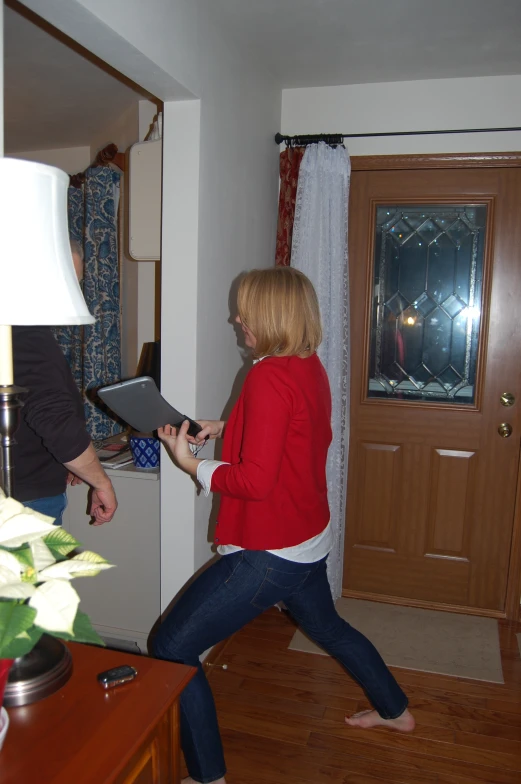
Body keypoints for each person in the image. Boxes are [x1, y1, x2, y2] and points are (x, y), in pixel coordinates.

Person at [154, 267, 415, 784]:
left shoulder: (267, 375)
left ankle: (208, 778)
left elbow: (254, 482)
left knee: (170, 648)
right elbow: (295, 428)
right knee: (329, 629)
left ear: (270, 315)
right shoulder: (304, 364)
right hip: (307, 538)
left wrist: (191, 463)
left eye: (244, 309)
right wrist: (224, 426)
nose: (237, 318)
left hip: (270, 553)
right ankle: (395, 712)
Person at [11, 241, 117, 526]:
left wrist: (67, 460)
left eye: (75, 282)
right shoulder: (24, 335)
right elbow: (55, 422)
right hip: (25, 505)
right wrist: (101, 482)